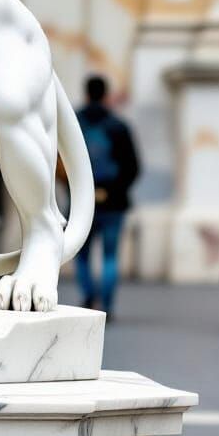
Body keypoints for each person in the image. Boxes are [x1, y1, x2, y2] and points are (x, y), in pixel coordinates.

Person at [74, 75, 140, 318]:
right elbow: (133, 167)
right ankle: (107, 305)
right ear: (105, 95)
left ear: (86, 93)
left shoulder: (74, 123)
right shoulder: (119, 126)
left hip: (81, 201)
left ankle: (88, 296)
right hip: (114, 201)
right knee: (110, 256)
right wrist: (116, 189)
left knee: (82, 254)